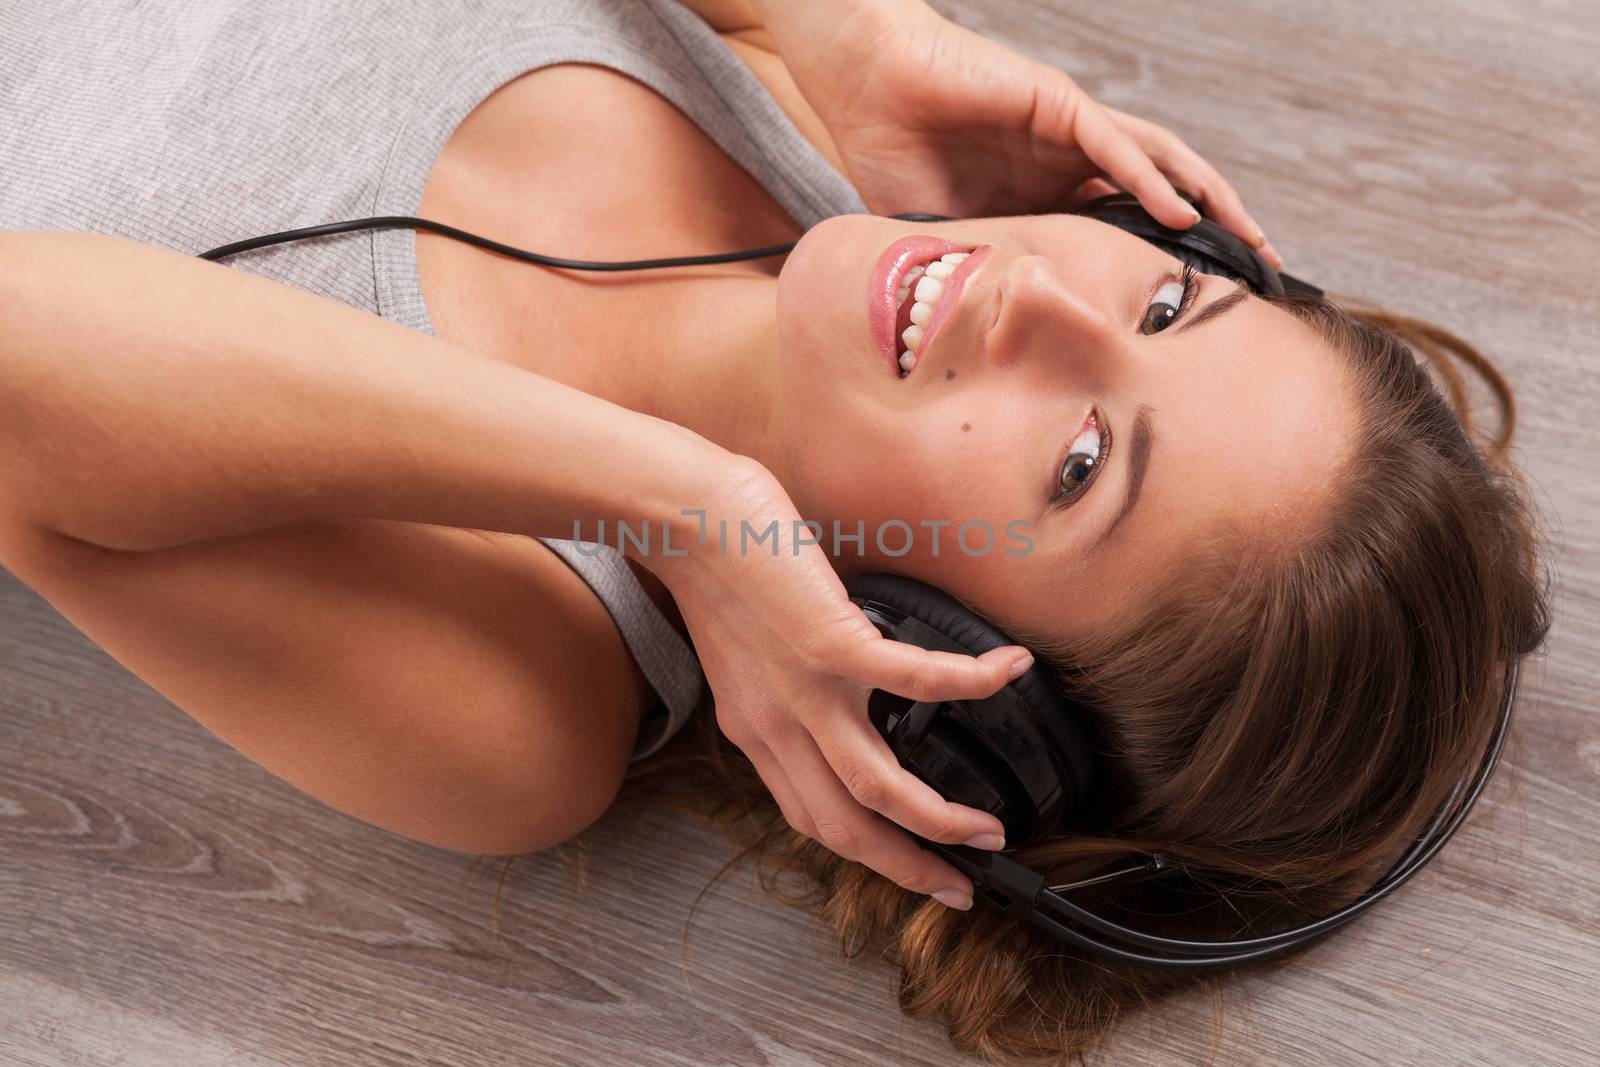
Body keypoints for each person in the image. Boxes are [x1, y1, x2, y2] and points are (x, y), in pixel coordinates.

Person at [0, 0, 1551, 1060]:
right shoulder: (823, 116)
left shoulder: (518, 692)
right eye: (1163, 299)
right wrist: (839, 28)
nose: (1036, 296)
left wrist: (684, 501)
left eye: (1080, 463)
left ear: (943, 684)